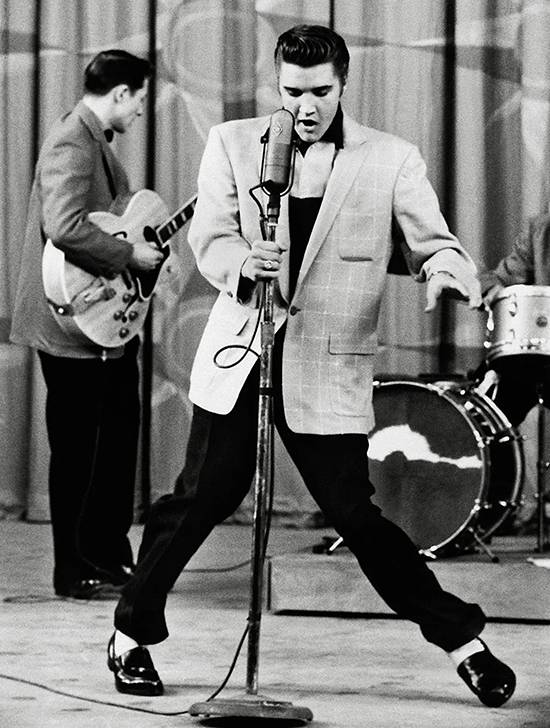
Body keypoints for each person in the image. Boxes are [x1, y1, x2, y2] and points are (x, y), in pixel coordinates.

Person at [108, 25, 516, 707]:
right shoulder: (232, 143)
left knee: (356, 515)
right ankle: (131, 634)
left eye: (320, 91)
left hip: (328, 364)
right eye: (292, 91)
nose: (305, 106)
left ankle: (464, 646)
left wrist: (445, 270)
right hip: (243, 354)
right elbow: (210, 235)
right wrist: (244, 263)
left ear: (343, 84)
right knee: (201, 499)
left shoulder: (391, 158)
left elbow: (434, 244)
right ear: (278, 84)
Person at [10, 50, 162, 600]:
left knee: (116, 439)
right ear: (120, 93)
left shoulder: (91, 139)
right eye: (139, 99)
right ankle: (73, 570)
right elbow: (66, 227)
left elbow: (104, 221)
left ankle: (106, 554)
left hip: (101, 326)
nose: (140, 110)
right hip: (71, 327)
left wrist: (137, 246)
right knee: (78, 450)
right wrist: (130, 257)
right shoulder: (71, 142)